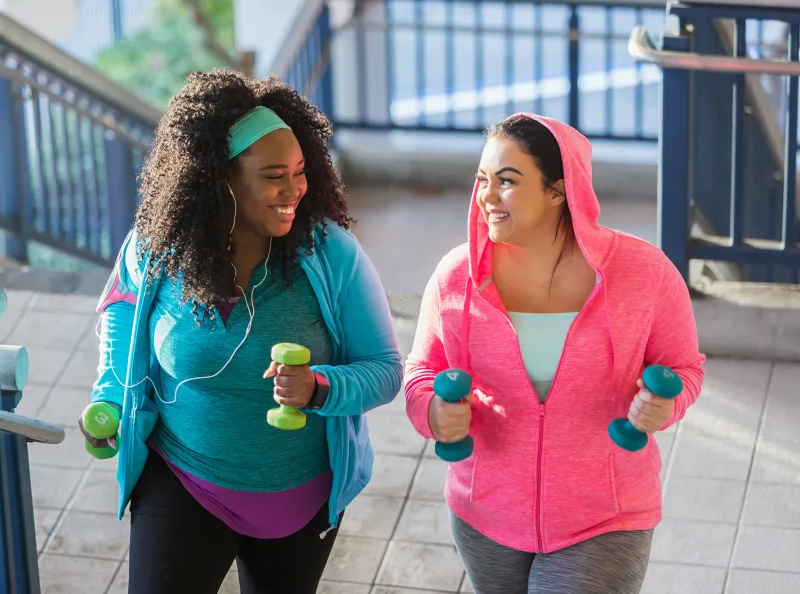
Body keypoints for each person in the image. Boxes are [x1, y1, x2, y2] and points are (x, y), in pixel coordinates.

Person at [78, 69, 403, 594]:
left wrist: (321, 387)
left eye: (301, 171)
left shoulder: (332, 255)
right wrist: (110, 396)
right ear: (220, 178)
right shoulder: (158, 246)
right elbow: (122, 308)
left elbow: (387, 372)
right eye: (276, 175)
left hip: (299, 497)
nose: (295, 189)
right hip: (183, 478)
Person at [403, 113, 705, 594]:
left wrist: (666, 404)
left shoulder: (645, 275)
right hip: (485, 513)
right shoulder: (455, 277)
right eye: (482, 180)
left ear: (558, 191)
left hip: (605, 516)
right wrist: (432, 411)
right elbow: (422, 370)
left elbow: (686, 368)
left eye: (507, 181)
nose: (486, 195)